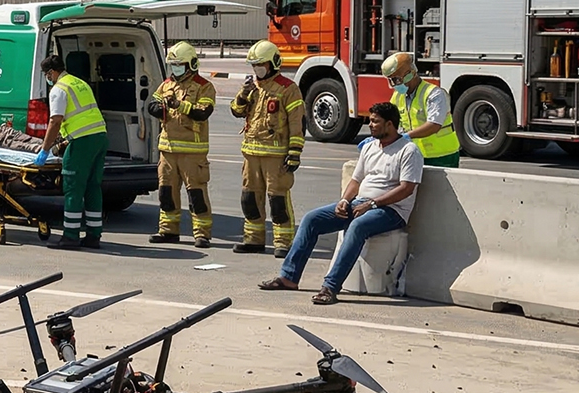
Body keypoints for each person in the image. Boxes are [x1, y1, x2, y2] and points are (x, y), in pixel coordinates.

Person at [260, 103, 422, 305]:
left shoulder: (408, 151)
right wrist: (345, 200)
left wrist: (372, 204)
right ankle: (288, 277)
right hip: (361, 204)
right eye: (370, 120)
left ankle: (330, 287)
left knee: (357, 226)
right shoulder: (370, 146)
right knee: (312, 219)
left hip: (390, 211)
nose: (370, 125)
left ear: (390, 124)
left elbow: (407, 188)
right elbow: (356, 180)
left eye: (375, 121)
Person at [230, 40, 305, 257]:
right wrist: (244, 94)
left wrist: (294, 152)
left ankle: (283, 242)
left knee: (278, 199)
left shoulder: (288, 89)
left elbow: (296, 123)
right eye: (254, 66)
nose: (257, 70)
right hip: (251, 154)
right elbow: (236, 111)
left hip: (276, 156)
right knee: (250, 199)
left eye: (260, 65)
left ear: (273, 63)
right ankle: (253, 240)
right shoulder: (252, 87)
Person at [147, 41, 216, 248]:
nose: (176, 69)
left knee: (196, 195)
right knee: (166, 192)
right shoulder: (167, 84)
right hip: (167, 151)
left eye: (180, 65)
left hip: (192, 153)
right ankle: (168, 231)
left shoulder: (204, 87)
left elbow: (203, 113)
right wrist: (163, 107)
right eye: (173, 65)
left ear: (191, 64)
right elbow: (151, 106)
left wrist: (180, 105)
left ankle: (202, 234)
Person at [37, 54, 107, 249]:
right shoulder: (78, 83)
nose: (47, 78)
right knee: (93, 186)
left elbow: (55, 120)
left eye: (46, 74)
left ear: (51, 72)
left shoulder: (58, 90)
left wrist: (44, 150)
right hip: (100, 136)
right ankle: (94, 236)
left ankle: (70, 236)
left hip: (83, 141)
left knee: (73, 188)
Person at [382, 52, 459, 167]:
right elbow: (390, 122)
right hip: (415, 154)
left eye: (396, 80)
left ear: (410, 74)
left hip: (442, 156)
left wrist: (405, 136)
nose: (394, 84)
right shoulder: (397, 96)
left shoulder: (434, 94)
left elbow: (434, 125)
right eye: (391, 80)